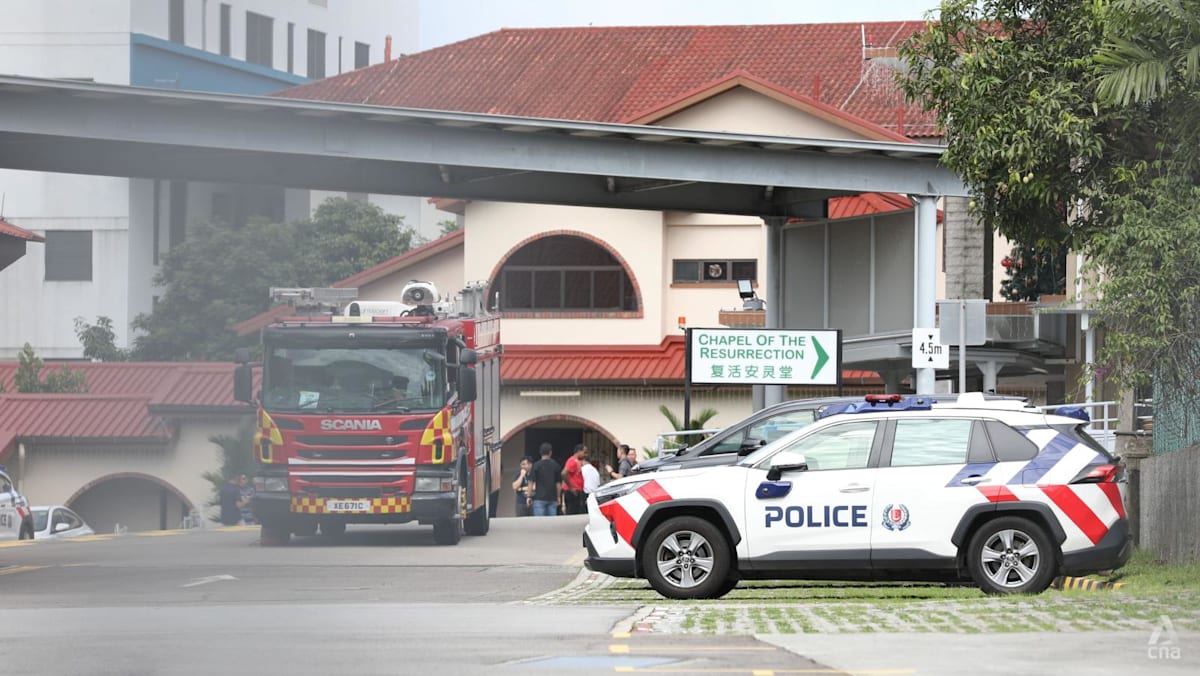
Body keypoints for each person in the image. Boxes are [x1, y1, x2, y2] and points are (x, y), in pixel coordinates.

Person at [529, 443, 561, 516]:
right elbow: (558, 483)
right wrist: (558, 497)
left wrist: (529, 496)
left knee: (540, 523)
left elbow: (531, 482)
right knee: (551, 524)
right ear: (550, 452)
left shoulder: (536, 465)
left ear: (540, 453)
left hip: (539, 498)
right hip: (552, 498)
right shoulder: (555, 465)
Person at [561, 443, 587, 515]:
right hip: (573, 492)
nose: (585, 455)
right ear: (579, 451)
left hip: (576, 490)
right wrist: (571, 488)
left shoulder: (577, 461)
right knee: (572, 513)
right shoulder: (573, 461)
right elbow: (564, 473)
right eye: (584, 452)